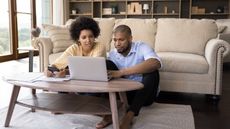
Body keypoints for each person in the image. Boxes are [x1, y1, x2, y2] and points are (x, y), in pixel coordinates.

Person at [95, 25, 162, 129]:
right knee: (106, 64)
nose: (117, 44)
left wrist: (121, 72)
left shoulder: (141, 47)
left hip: (145, 95)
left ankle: (129, 115)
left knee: (152, 72)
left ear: (130, 38)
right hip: (124, 95)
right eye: (115, 40)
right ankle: (109, 113)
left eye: (121, 40)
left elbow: (155, 63)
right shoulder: (112, 54)